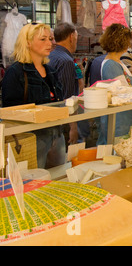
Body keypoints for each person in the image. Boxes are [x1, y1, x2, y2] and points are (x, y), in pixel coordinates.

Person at [2, 23, 66, 169]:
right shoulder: (16, 72)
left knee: (59, 177)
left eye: (50, 39)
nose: (50, 43)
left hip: (57, 133)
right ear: (28, 42)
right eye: (43, 39)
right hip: (32, 138)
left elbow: (59, 102)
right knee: (35, 182)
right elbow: (10, 112)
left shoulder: (51, 71)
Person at [97, 23, 132, 145]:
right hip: (118, 119)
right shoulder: (111, 65)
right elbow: (123, 91)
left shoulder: (118, 62)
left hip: (125, 116)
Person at [48, 22, 80, 145]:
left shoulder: (50, 55)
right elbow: (68, 99)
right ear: (71, 37)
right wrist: (73, 127)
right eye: (76, 37)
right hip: (62, 122)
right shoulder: (66, 61)